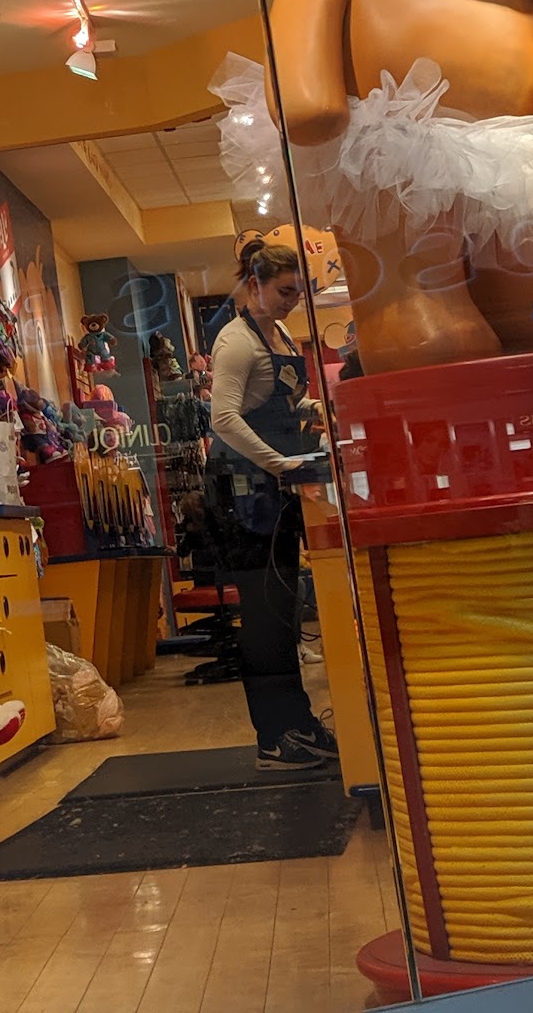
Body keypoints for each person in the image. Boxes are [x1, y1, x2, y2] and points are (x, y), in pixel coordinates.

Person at [205, 238, 337, 771]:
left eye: (298, 292)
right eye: (284, 291)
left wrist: (318, 407)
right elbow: (224, 418)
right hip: (242, 490)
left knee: (283, 608)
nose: (292, 301)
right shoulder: (236, 342)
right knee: (263, 615)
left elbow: (279, 400)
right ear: (254, 285)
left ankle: (297, 722)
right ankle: (275, 738)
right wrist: (281, 464)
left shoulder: (278, 334)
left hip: (272, 487)